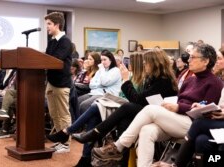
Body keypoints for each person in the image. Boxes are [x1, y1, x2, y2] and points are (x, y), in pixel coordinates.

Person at [92, 43, 223, 167]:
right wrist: (173, 105)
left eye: (193, 57)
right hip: (176, 120)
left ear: (206, 61)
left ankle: (119, 146)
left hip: (192, 124)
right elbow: (180, 100)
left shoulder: (214, 83)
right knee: (146, 130)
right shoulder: (190, 80)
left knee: (149, 109)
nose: (188, 60)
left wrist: (179, 107)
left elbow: (206, 112)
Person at [73, 48, 179, 165]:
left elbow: (137, 100)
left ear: (154, 63)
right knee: (123, 119)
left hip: (161, 116)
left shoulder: (164, 80)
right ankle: (120, 161)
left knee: (125, 107)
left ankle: (95, 133)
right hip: (149, 112)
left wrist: (125, 80)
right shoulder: (153, 78)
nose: (143, 65)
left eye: (146, 63)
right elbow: (139, 100)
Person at [44, 12, 73, 153]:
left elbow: (56, 59)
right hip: (51, 82)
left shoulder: (66, 41)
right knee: (54, 113)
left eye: (49, 24)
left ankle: (66, 143)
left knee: (63, 114)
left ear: (57, 25)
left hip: (61, 83)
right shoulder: (52, 41)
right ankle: (59, 139)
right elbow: (45, 58)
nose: (47, 27)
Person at [77, 49, 122, 115]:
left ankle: (82, 124)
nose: (102, 62)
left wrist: (102, 72)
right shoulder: (100, 71)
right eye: (101, 60)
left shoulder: (115, 71)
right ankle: (76, 123)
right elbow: (91, 84)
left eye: (105, 59)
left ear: (111, 60)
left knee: (84, 105)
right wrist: (100, 85)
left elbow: (104, 82)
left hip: (105, 95)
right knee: (77, 101)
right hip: (94, 93)